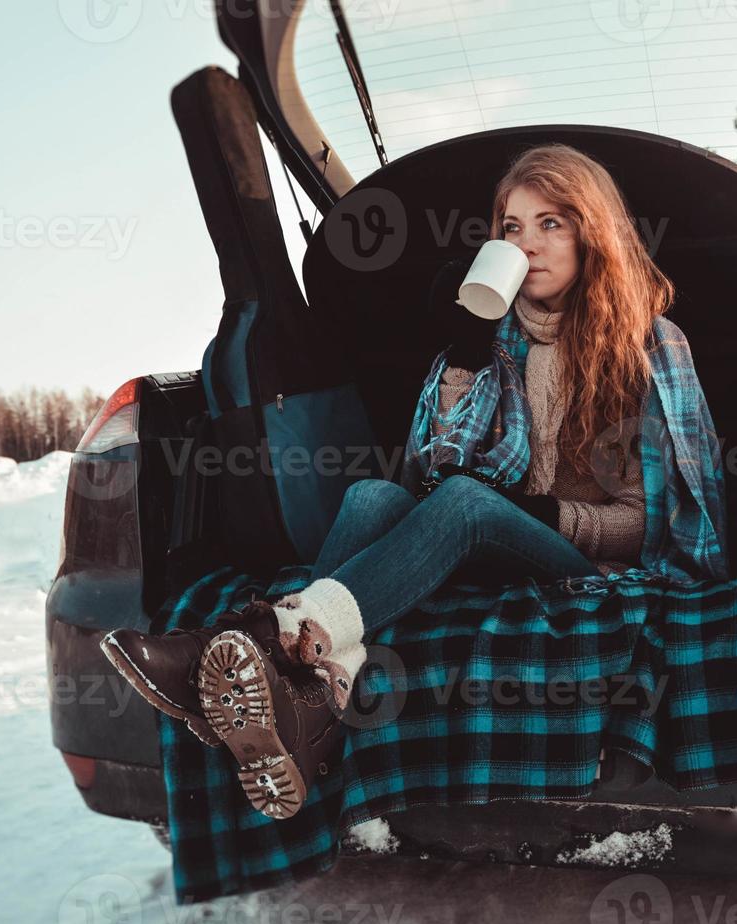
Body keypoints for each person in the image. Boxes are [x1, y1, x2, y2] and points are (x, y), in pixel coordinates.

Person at [100, 144, 680, 819]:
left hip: (579, 559)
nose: (529, 245)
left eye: (552, 224)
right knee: (373, 496)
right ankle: (309, 704)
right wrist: (466, 357)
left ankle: (268, 638)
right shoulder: (492, 342)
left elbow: (649, 520)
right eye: (513, 229)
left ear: (593, 233)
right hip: (485, 535)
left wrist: (551, 517)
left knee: (467, 504)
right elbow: (435, 469)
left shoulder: (644, 349)